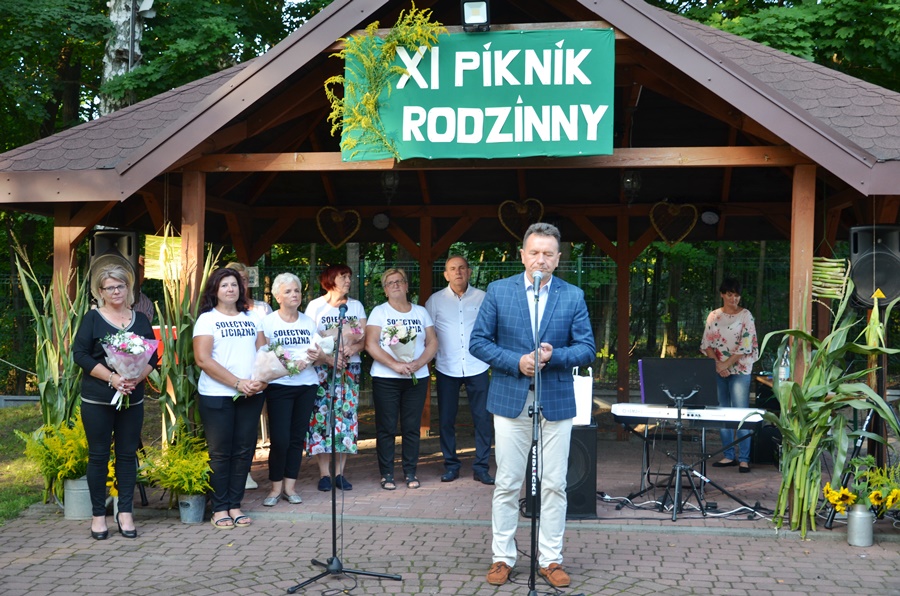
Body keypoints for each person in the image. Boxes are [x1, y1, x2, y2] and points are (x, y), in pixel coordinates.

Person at [469, 222, 595, 588]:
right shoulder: (499, 290)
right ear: (523, 255)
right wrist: (516, 362)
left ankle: (550, 559)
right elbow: (478, 342)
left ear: (558, 258)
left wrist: (555, 356)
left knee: (554, 483)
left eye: (548, 254)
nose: (541, 260)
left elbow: (587, 348)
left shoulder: (573, 295)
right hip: (510, 397)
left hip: (555, 399)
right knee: (508, 482)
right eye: (535, 252)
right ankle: (502, 557)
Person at [74, 259, 157, 540]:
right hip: (98, 399)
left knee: (126, 455)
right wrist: (112, 378)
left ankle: (125, 512)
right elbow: (80, 355)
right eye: (109, 287)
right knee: (99, 456)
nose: (116, 291)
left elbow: (152, 356)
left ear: (128, 287)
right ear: (100, 291)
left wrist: (136, 377)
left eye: (120, 286)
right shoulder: (93, 319)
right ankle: (98, 515)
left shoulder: (140, 319)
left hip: (132, 398)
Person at [193, 267, 267, 529]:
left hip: (251, 394)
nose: (230, 289)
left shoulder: (252, 318)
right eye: (224, 285)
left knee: (244, 451)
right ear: (215, 290)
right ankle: (219, 507)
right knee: (221, 453)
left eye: (234, 284)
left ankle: (235, 504)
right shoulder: (207, 320)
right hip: (217, 396)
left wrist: (261, 380)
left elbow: (264, 354)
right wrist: (237, 383)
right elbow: (203, 359)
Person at [365, 268, 438, 490]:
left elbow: (432, 342)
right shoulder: (379, 312)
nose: (395, 285)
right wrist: (395, 365)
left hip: (417, 378)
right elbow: (370, 344)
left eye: (399, 281)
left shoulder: (421, 312)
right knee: (386, 427)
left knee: (412, 427)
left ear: (406, 286)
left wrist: (419, 363)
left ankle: (410, 472)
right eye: (390, 282)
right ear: (385, 290)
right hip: (386, 378)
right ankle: (387, 473)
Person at [425, 255, 494, 484]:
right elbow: (428, 334)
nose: (458, 272)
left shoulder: (483, 298)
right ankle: (451, 465)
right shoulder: (435, 301)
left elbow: (492, 329)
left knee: (482, 419)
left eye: (462, 268)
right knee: (446, 419)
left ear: (469, 272)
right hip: (447, 366)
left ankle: (481, 467)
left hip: (478, 365)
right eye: (453, 269)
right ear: (446, 274)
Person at [260, 273, 324, 506]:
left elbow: (319, 354)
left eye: (296, 290)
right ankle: (275, 488)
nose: (294, 294)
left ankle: (290, 487)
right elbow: (263, 355)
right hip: (279, 386)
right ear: (278, 297)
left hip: (306, 385)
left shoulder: (308, 322)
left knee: (297, 438)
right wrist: (287, 365)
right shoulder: (268, 322)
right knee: (280, 439)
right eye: (288, 291)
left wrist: (318, 355)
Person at [305, 264, 367, 492]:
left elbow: (363, 338)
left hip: (349, 369)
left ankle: (340, 473)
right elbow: (310, 339)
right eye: (343, 277)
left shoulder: (356, 306)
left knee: (345, 418)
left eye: (349, 276)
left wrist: (353, 348)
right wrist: (329, 357)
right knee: (321, 418)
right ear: (330, 280)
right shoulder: (315, 306)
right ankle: (324, 474)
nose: (348, 280)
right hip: (322, 368)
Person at [701, 277, 759, 473]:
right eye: (730, 294)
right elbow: (707, 344)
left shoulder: (746, 315)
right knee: (722, 411)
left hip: (740, 370)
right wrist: (719, 366)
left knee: (741, 413)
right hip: (719, 369)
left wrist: (726, 364)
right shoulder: (713, 316)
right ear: (722, 295)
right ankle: (728, 455)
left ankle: (744, 458)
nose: (733, 298)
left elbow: (746, 345)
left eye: (737, 295)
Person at [225, 261, 271, 490]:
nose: (239, 284)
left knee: (248, 429)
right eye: (234, 280)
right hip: (226, 380)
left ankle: (246, 472)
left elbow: (267, 343)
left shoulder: (261, 309)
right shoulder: (215, 311)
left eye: (243, 279)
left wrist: (260, 377)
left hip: (256, 379)